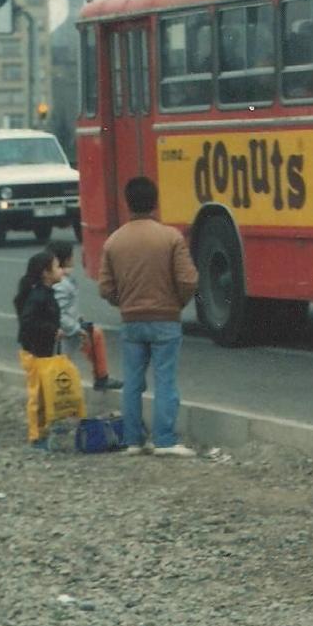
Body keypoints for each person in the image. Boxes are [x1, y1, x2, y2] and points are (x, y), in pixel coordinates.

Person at [97, 176, 200, 457]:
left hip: (131, 321)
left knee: (132, 382)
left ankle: (133, 440)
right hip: (166, 319)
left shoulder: (114, 242)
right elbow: (189, 280)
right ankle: (164, 439)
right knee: (165, 380)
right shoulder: (170, 238)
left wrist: (125, 303)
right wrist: (175, 302)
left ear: (127, 203)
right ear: (155, 203)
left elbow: (105, 287)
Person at [14, 248, 66, 450]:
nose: (60, 270)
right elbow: (29, 322)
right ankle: (36, 435)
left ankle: (45, 427)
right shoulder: (38, 296)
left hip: (42, 350)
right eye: (56, 267)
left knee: (44, 391)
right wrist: (52, 330)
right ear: (46, 273)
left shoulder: (44, 293)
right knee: (37, 394)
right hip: (35, 351)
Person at [48, 239, 111, 391]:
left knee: (94, 336)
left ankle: (101, 376)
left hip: (68, 326)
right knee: (62, 366)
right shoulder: (61, 283)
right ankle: (100, 378)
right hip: (65, 330)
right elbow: (59, 313)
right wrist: (76, 328)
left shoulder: (63, 279)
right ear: (66, 259)